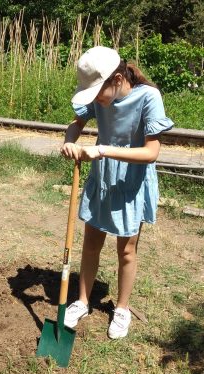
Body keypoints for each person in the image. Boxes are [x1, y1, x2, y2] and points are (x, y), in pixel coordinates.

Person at [60, 46, 174, 339]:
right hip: (102, 178)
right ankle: (83, 301)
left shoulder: (149, 97)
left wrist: (102, 150)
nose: (97, 99)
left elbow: (151, 152)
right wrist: (70, 141)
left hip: (131, 183)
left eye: (99, 92)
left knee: (126, 249)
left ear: (119, 78)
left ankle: (121, 308)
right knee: (90, 244)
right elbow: (75, 125)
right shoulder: (99, 100)